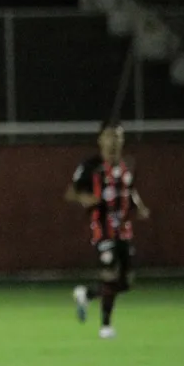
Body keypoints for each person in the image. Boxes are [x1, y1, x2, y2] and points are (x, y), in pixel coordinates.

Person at [66, 119, 149, 338]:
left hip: (124, 230)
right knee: (110, 272)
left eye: (118, 137)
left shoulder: (126, 165)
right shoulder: (91, 166)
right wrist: (89, 199)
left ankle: (87, 294)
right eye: (110, 136)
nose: (114, 142)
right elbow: (72, 192)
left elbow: (129, 190)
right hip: (102, 229)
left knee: (126, 282)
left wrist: (139, 206)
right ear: (100, 139)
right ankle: (105, 326)